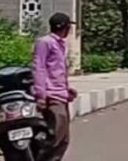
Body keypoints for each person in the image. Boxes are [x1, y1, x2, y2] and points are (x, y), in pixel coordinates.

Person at [32, 13, 77, 161]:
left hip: (60, 94)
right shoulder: (44, 42)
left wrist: (67, 89)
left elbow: (57, 71)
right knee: (54, 137)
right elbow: (39, 68)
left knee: (64, 139)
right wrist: (41, 95)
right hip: (51, 96)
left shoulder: (60, 44)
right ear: (65, 27)